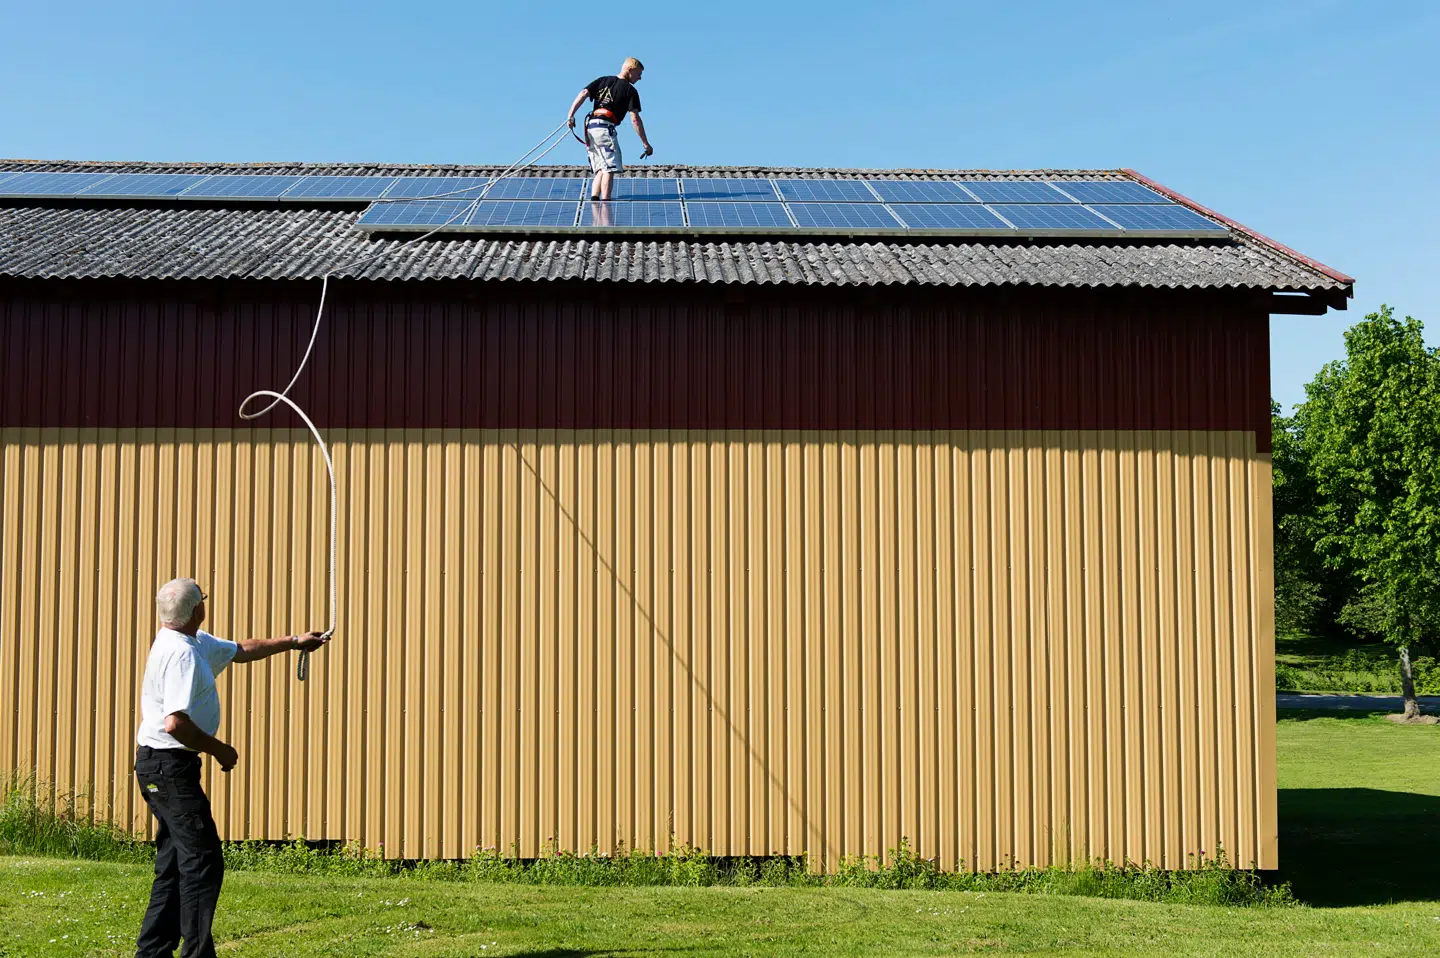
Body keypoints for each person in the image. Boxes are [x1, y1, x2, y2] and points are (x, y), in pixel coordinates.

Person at [133, 577, 329, 958]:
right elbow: (176, 723)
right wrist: (220, 750)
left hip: (165, 767)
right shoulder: (181, 654)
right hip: (168, 766)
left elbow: (240, 650)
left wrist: (293, 642)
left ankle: (152, 952)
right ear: (197, 610)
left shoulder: (190, 640)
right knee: (203, 861)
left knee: (175, 862)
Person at [567, 57, 654, 202]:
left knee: (601, 168)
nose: (640, 78)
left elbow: (583, 93)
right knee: (609, 168)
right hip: (605, 129)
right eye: (638, 74)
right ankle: (606, 203)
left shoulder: (603, 80)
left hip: (591, 128)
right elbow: (635, 119)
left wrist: (570, 116)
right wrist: (645, 143)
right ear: (629, 70)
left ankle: (594, 202)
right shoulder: (630, 90)